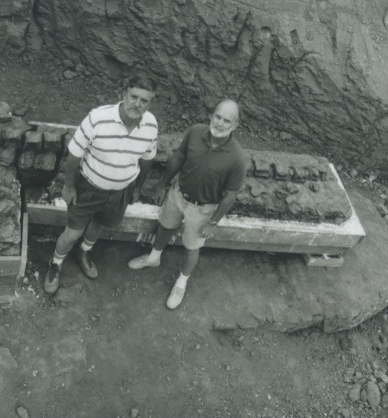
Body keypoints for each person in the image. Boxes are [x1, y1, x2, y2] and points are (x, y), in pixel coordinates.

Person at [126, 99, 248, 310]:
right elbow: (178, 158)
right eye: (217, 117)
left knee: (192, 247)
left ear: (235, 125)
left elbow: (229, 195)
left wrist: (214, 222)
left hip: (203, 209)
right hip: (177, 194)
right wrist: (163, 185)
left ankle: (181, 283)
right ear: (212, 115)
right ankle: (154, 257)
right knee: (165, 226)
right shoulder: (195, 132)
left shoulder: (237, 158)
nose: (219, 123)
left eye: (226, 121)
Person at [43, 75, 159, 294]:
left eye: (144, 101)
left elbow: (147, 159)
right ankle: (55, 264)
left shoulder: (150, 125)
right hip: (88, 188)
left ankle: (84, 252)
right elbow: (75, 154)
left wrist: (137, 188)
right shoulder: (98, 118)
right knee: (72, 233)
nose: (137, 104)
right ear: (123, 94)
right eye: (134, 97)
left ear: (150, 103)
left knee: (100, 225)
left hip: (120, 193)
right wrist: (69, 186)